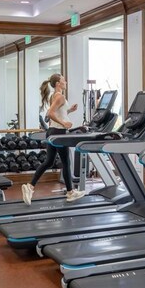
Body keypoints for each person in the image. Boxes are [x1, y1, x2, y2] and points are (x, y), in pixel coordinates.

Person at [22, 74, 86, 205]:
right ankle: (70, 192)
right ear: (58, 83)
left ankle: (30, 186)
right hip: (58, 133)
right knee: (66, 162)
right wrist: (64, 123)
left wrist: (69, 111)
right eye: (63, 80)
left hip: (52, 132)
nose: (66, 82)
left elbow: (57, 113)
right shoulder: (60, 96)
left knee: (49, 162)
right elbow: (50, 113)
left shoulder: (54, 96)